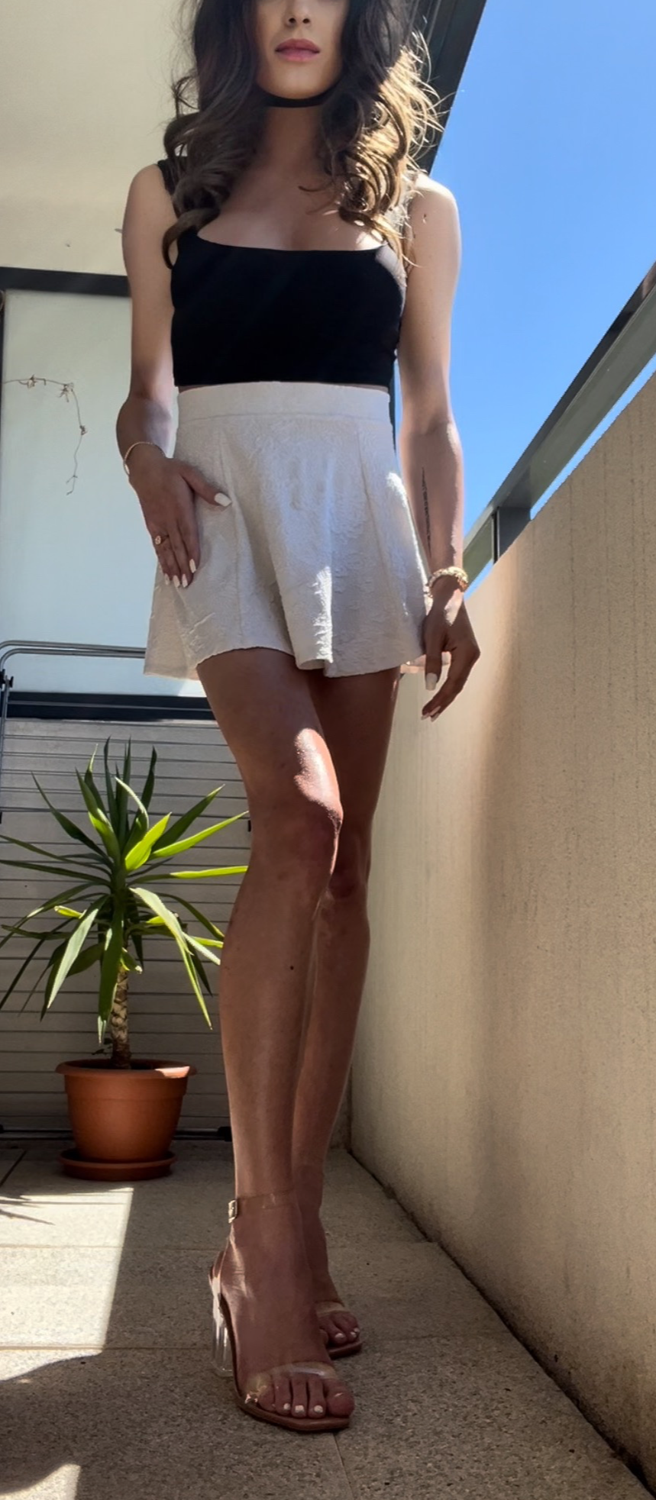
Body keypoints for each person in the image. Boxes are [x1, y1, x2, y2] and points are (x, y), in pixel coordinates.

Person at [116, 0, 480, 1436]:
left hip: (359, 520)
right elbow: (148, 393)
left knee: (345, 876)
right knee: (301, 814)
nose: (296, 10)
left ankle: (304, 1219)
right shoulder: (169, 193)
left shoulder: (418, 210)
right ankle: (257, 1243)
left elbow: (430, 415)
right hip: (219, 513)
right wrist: (147, 463)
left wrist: (446, 574)